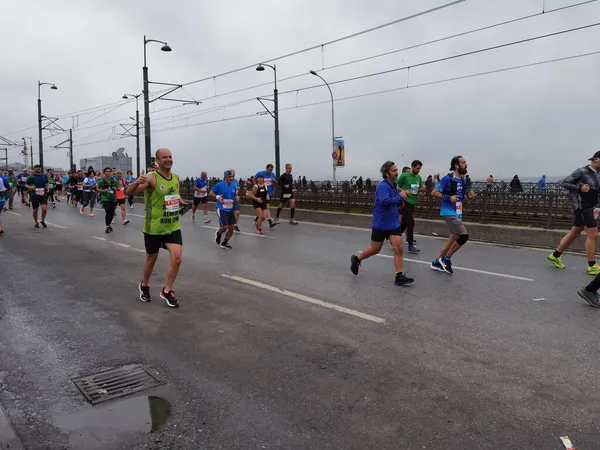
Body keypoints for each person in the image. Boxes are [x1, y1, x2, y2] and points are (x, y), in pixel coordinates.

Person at [126, 149, 185, 308]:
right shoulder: (151, 178)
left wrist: (181, 202)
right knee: (151, 259)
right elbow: (129, 192)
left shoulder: (176, 178)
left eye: (170, 156)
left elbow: (174, 195)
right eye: (164, 157)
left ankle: (167, 290)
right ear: (157, 161)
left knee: (177, 258)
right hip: (154, 228)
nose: (168, 159)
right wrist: (136, 182)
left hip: (172, 226)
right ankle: (144, 285)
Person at [350, 161, 414, 286]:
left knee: (399, 248)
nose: (396, 173)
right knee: (375, 249)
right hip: (381, 223)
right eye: (394, 171)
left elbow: (396, 201)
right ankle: (357, 259)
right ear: (386, 173)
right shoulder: (382, 186)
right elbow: (385, 201)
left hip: (393, 223)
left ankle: (399, 276)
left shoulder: (394, 185)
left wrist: (404, 194)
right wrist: (400, 196)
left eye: (397, 170)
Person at [548, 152, 600, 275]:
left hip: (592, 207)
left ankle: (555, 255)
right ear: (596, 159)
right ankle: (592, 265)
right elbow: (564, 183)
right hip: (582, 207)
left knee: (574, 232)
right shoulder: (581, 171)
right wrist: (580, 188)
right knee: (593, 233)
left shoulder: (598, 175)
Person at [430, 156, 476, 274]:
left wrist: (469, 196)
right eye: (463, 162)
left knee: (452, 239)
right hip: (448, 211)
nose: (466, 164)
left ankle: (436, 262)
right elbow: (434, 192)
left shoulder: (463, 180)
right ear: (456, 165)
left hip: (458, 211)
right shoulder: (447, 178)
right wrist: (447, 197)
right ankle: (446, 259)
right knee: (464, 236)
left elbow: (462, 196)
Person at [396, 160, 425, 253]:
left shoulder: (418, 177)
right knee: (411, 223)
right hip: (404, 202)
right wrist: (404, 191)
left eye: (420, 169)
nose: (419, 170)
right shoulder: (404, 175)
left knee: (405, 223)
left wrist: (422, 188)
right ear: (412, 167)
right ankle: (411, 245)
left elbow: (421, 187)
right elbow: (395, 185)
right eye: (417, 168)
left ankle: (394, 237)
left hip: (412, 203)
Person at [210, 169, 238, 249]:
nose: (231, 178)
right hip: (221, 208)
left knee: (232, 227)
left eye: (232, 177)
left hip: (230, 209)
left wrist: (236, 197)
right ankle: (218, 233)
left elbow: (235, 195)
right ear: (225, 177)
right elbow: (211, 193)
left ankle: (224, 242)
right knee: (225, 226)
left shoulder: (234, 185)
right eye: (229, 177)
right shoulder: (219, 185)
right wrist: (218, 197)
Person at [96, 168, 120, 233]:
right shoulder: (101, 181)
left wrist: (116, 188)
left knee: (112, 213)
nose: (108, 172)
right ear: (104, 173)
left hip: (113, 198)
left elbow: (119, 188)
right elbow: (97, 189)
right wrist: (103, 190)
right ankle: (107, 226)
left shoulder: (114, 180)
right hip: (105, 198)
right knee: (108, 212)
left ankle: (109, 225)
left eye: (109, 171)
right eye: (107, 171)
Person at [255, 164, 277, 229]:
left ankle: (257, 219)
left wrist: (273, 181)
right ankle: (270, 221)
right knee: (267, 207)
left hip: (269, 193)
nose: (270, 171)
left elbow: (276, 183)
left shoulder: (272, 175)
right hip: (262, 193)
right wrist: (256, 187)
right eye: (269, 170)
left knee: (265, 208)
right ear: (266, 168)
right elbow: (254, 179)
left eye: (271, 170)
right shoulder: (261, 173)